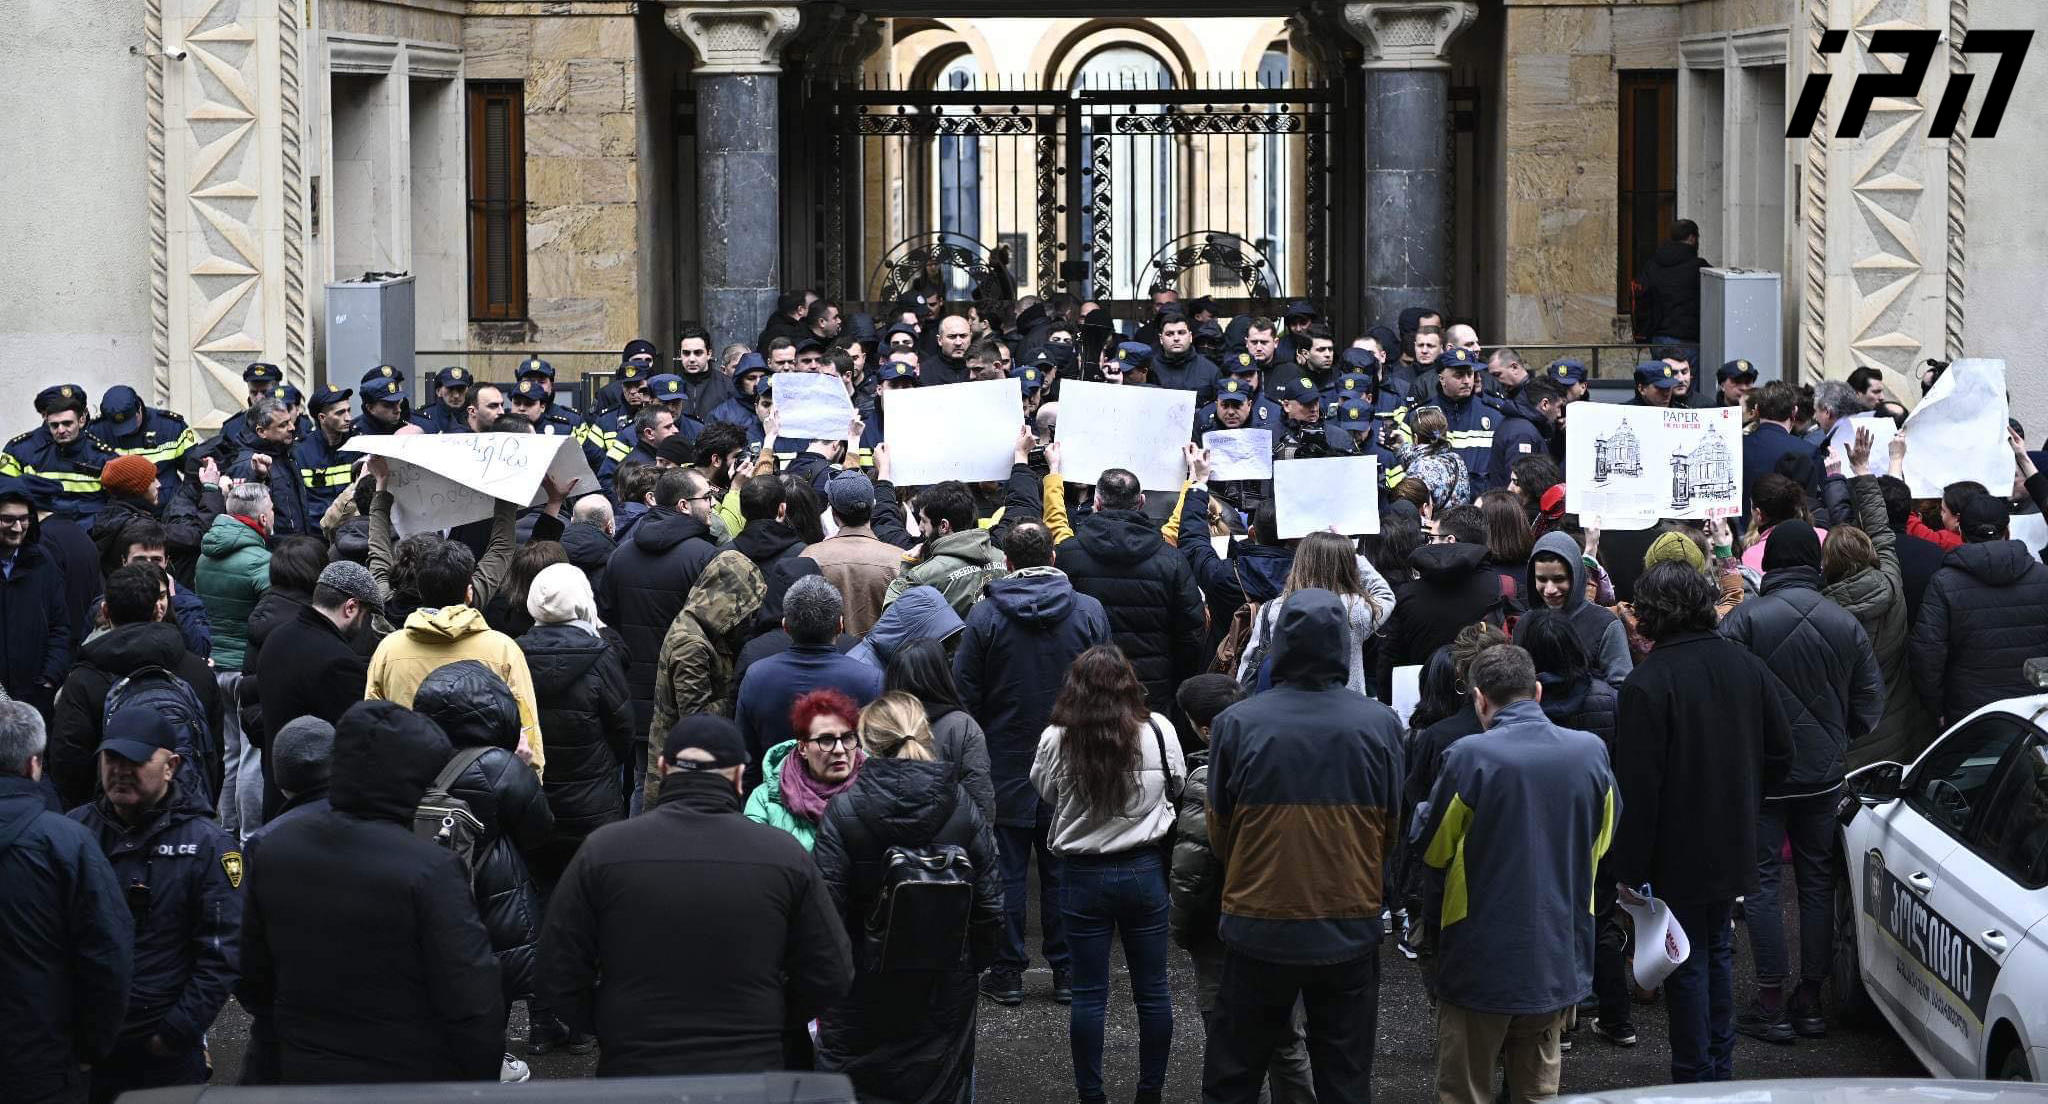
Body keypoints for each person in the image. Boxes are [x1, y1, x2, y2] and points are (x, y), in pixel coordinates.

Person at [537, 715, 854, 1076]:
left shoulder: (603, 851)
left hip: (634, 1068)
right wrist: (774, 1018)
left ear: (662, 768)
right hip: (750, 1069)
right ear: (737, 776)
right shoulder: (784, 856)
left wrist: (609, 1021)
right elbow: (833, 971)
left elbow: (554, 971)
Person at [1203, 590, 1406, 1103]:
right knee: (1344, 1073)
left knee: (1235, 1072)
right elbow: (1390, 828)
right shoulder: (1380, 723)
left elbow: (1220, 829)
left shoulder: (1235, 724)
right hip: (1348, 918)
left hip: (1258, 918)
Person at [238, 700, 504, 1084]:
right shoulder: (430, 869)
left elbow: (252, 976)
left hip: (297, 1067)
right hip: (400, 1076)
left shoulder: (274, 848)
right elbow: (470, 998)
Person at [1612, 563, 1794, 1082]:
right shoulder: (1745, 665)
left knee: (1687, 962)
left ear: (1652, 613)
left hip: (1676, 847)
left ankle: (1694, 1075)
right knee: (1714, 951)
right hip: (1734, 832)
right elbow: (1782, 751)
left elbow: (1639, 791)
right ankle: (1718, 1066)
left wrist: (1628, 865)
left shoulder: (1647, 683)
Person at [1417, 644, 1616, 1104]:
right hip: (1556, 949)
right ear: (1538, 692)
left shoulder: (1468, 755)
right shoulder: (1590, 752)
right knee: (1538, 1090)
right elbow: (1601, 840)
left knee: (1466, 1090)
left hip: (1477, 957)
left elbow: (1433, 848)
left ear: (1479, 698)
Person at [1717, 518, 1883, 1042]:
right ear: (1814, 566)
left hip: (1761, 773)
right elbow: (1870, 703)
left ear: (1767, 564)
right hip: (1822, 774)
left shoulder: (1744, 620)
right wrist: (1838, 739)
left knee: (1763, 882)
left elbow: (1720, 696)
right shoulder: (1845, 622)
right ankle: (1810, 1001)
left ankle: (1770, 1000)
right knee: (1815, 881)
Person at [810, 691, 1002, 1101]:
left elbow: (823, 920)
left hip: (862, 994)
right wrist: (968, 966)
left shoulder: (844, 814)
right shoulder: (963, 809)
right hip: (942, 989)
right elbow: (990, 909)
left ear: (866, 741)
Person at [954, 520, 1106, 1005]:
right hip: (1073, 757)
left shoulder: (984, 617)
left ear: (1009, 563)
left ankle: (1009, 969)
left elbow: (965, 693)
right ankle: (1067, 972)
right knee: (1064, 866)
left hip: (1005, 757)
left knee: (1008, 869)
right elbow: (1107, 684)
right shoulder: (1088, 611)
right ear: (1053, 558)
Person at [1031, 645, 1185, 1104]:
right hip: (1144, 870)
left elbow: (1045, 792)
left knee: (1089, 995)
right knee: (1153, 991)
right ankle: (1149, 1092)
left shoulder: (1057, 737)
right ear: (1128, 682)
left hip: (1082, 876)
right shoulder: (1159, 729)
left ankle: (1091, 1094)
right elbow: (1176, 785)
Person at [71, 707, 240, 1103]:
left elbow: (223, 950)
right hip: (85, 1048)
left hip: (163, 1053)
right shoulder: (74, 833)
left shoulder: (207, 845)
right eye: (112, 759)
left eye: (136, 760)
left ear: (171, 766)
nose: (121, 771)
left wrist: (176, 1033)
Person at [1169, 675, 1315, 1104]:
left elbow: (1192, 869)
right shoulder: (1283, 759)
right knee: (1287, 1037)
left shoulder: (1207, 776)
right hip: (1281, 918)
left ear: (1206, 727)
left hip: (1222, 924)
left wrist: (1181, 927)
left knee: (1230, 1039)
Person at [410, 661, 554, 1073]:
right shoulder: (500, 764)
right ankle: (490, 1059)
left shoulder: (412, 752)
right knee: (491, 976)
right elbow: (540, 829)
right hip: (493, 888)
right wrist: (523, 766)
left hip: (427, 874)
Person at [0, 700, 135, 1104]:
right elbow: (108, 955)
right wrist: (91, 1047)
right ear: (34, 765)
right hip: (42, 1061)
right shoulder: (67, 842)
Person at [365, 538, 545, 775]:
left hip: (412, 785)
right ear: (469, 592)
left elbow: (373, 726)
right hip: (487, 784)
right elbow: (527, 731)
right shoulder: (503, 649)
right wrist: (530, 781)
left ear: (421, 590)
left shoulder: (389, 649)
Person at [50, 563, 222, 810]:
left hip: (109, 820)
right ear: (158, 610)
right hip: (186, 815)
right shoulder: (197, 672)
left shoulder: (85, 679)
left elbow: (67, 762)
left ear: (106, 611)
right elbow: (212, 754)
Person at [1050, 462, 1206, 714]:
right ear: (1142, 501)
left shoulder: (1067, 556)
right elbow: (1191, 631)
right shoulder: (1171, 560)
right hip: (1151, 689)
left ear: (1097, 504)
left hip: (1085, 687)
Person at [517, 564, 633, 890]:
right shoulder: (602, 656)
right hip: (593, 803)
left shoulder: (514, 652)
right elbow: (622, 729)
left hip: (534, 799)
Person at [1823, 430, 1931, 768]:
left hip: (1850, 748)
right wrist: (1862, 470)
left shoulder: (1823, 613)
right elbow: (1882, 530)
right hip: (1901, 734)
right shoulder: (1890, 585)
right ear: (1871, 553)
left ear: (1826, 566)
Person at [734, 575, 884, 781]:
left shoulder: (756, 677)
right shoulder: (870, 680)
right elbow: (878, 760)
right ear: (840, 626)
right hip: (846, 801)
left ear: (785, 626)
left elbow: (746, 760)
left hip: (775, 799)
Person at [647, 549, 766, 803]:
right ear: (727, 602)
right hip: (682, 777)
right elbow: (695, 718)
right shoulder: (691, 644)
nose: (748, 620)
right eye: (745, 610)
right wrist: (738, 694)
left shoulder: (704, 627)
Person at [253, 562, 374, 807]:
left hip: (278, 795)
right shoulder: (339, 661)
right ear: (351, 607)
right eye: (365, 614)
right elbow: (352, 742)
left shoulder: (277, 637)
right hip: (316, 804)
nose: (364, 625)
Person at [1374, 509, 1513, 702]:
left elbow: (1389, 659)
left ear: (1450, 540)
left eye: (1432, 537)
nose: (1428, 543)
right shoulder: (1502, 587)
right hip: (1487, 703)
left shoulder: (1407, 594)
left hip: (1424, 704)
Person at [1236, 530, 1395, 696]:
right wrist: (1351, 554)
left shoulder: (1273, 609)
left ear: (1299, 561)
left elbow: (1250, 661)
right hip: (1346, 709)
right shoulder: (1355, 610)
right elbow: (1384, 594)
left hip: (1283, 709)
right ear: (1346, 566)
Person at [884, 638, 996, 826]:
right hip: (951, 848)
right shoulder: (962, 727)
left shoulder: (880, 727)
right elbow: (980, 800)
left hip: (890, 848)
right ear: (942, 675)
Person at [747, 687, 864, 851]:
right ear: (802, 747)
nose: (839, 749)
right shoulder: (765, 799)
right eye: (826, 739)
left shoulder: (877, 789)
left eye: (847, 737)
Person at [1516, 530, 1632, 685]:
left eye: (1559, 579)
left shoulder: (1606, 626)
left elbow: (1621, 688)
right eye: (1542, 579)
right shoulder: (1525, 624)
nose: (1550, 589)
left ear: (1576, 577)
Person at [0, 477, 74, 716]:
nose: (18, 528)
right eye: (7, 520)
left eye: (24, 519)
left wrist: (48, 680)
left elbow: (60, 626)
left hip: (35, 698)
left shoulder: (43, 562)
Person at [805, 468, 905, 634]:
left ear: (833, 512)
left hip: (829, 657)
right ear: (873, 506)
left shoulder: (810, 557)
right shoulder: (900, 560)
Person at [192, 481, 273, 672]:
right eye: (272, 509)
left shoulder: (204, 557)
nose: (273, 514)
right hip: (243, 664)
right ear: (263, 518)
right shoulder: (263, 562)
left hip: (209, 660)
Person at [1637, 218, 1710, 344]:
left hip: (1657, 338)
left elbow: (1642, 296)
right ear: (1692, 238)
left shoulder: (1652, 264)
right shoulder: (1699, 268)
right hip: (1688, 339)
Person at [1393, 406, 1471, 513]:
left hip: (1434, 527)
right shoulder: (1456, 459)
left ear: (1415, 438)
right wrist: (1402, 448)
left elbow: (1410, 510)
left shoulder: (1419, 468)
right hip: (1458, 525)